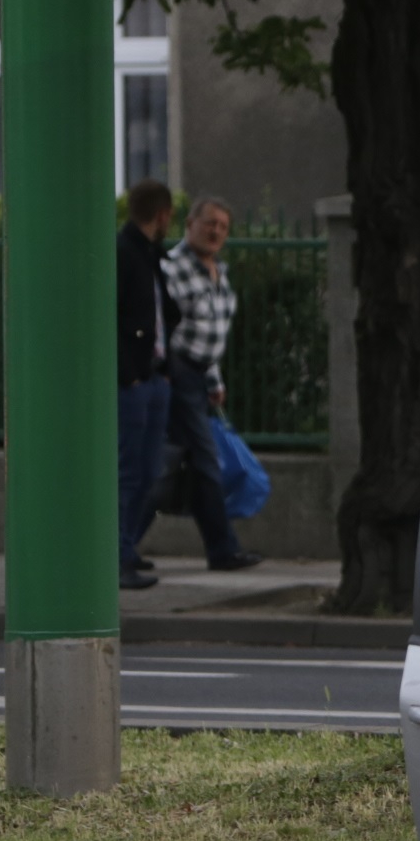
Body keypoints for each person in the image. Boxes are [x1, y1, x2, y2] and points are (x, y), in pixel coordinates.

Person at [160, 196, 261, 573]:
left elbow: (212, 334)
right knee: (203, 460)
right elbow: (169, 327)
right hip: (178, 371)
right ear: (190, 224)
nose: (215, 230)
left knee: (182, 465)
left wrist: (215, 379)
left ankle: (124, 547)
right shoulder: (172, 268)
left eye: (222, 225)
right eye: (209, 223)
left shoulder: (220, 273)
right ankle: (223, 549)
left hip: (200, 375)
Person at [116, 178, 178, 590]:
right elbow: (115, 317)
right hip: (136, 380)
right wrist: (130, 374)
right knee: (129, 470)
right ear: (163, 215)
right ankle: (116, 555)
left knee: (148, 471)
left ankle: (128, 545)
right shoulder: (124, 252)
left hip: (154, 373)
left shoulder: (150, 253)